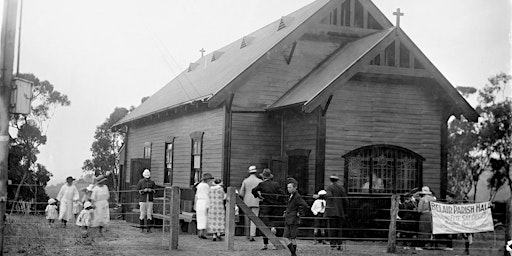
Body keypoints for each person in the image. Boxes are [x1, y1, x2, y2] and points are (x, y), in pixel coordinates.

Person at [251, 169, 286, 250]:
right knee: (273, 224)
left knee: (264, 225)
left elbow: (253, 190)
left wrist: (258, 196)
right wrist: (277, 199)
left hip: (265, 207)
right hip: (274, 207)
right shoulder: (276, 184)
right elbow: (282, 194)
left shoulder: (262, 184)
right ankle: (275, 244)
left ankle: (265, 245)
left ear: (263, 177)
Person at [283, 178, 308, 256]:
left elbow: (304, 205)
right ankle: (293, 253)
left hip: (293, 219)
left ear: (295, 188)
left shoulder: (297, 196)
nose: (288, 189)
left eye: (290, 187)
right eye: (287, 187)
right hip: (289, 218)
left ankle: (293, 254)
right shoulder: (291, 196)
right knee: (286, 237)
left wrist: (299, 212)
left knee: (291, 237)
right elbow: (291, 206)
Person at [324, 174, 348, 250]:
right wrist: (344, 211)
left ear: (330, 180)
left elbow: (329, 196)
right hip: (340, 212)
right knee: (339, 229)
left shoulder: (329, 187)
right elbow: (346, 201)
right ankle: (339, 244)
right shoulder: (341, 188)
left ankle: (333, 245)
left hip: (331, 212)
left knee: (331, 229)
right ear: (337, 180)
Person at [239, 165, 262, 241]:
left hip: (247, 201)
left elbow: (241, 193)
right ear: (255, 172)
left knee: (247, 218)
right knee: (254, 219)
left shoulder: (245, 181)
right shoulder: (259, 181)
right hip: (256, 201)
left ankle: (247, 234)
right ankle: (252, 235)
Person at [415, 185, 436, 251]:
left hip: (423, 215)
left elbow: (419, 210)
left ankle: (421, 245)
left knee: (422, 230)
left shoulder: (422, 199)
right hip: (430, 214)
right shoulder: (433, 199)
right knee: (429, 229)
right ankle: (429, 244)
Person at [136, 169, 156, 233]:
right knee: (142, 213)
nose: (147, 179)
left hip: (150, 200)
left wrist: (151, 190)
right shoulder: (140, 182)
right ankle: (141, 228)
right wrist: (143, 191)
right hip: (142, 200)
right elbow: (137, 190)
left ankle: (148, 228)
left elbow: (155, 190)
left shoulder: (152, 182)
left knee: (149, 214)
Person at [195, 172, 214, 239]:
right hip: (204, 201)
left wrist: (195, 204)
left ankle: (200, 232)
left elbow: (196, 195)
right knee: (205, 217)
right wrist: (209, 204)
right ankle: (203, 233)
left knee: (200, 217)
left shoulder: (199, 185)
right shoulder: (206, 186)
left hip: (199, 202)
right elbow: (207, 195)